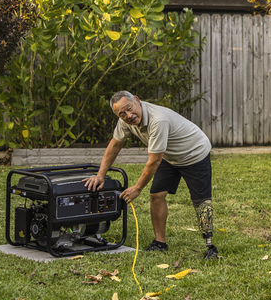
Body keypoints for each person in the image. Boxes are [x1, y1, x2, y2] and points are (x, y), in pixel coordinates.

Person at [84, 91, 220, 259]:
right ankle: (160, 243)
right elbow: (115, 145)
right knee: (156, 195)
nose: (129, 115)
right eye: (122, 114)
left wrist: (137, 188)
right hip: (169, 156)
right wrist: (100, 175)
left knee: (200, 200)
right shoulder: (125, 121)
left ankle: (210, 245)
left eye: (129, 108)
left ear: (137, 100)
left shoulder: (158, 119)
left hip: (194, 152)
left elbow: (154, 161)